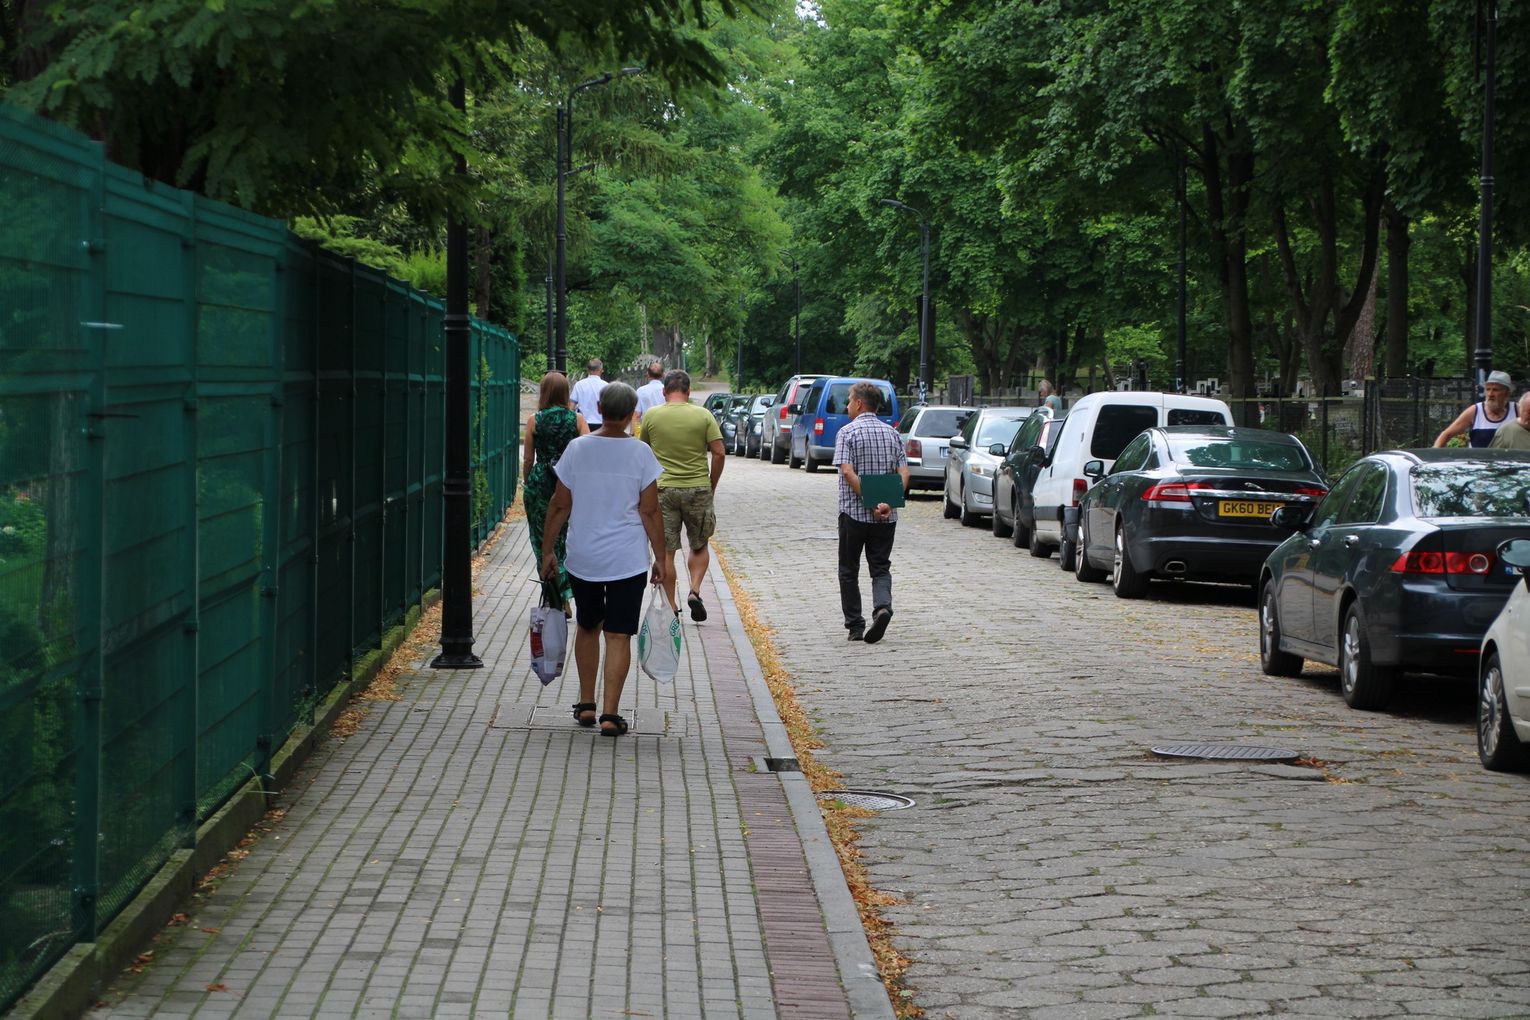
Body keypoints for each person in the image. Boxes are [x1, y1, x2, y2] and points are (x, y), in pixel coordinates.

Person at [540, 382, 666, 737]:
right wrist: (661, 558)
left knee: (587, 626)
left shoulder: (577, 449)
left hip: (584, 556)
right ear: (631, 415)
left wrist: (548, 551)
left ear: (598, 407)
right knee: (618, 634)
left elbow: (559, 504)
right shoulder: (641, 453)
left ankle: (586, 704)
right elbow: (650, 510)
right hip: (627, 558)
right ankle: (610, 714)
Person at [640, 370, 725, 621]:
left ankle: (671, 606)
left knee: (666, 551)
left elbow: (643, 451)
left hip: (663, 490)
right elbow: (719, 452)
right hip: (697, 487)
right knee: (699, 544)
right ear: (688, 391)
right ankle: (695, 591)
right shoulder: (703, 415)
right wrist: (711, 484)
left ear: (664, 391)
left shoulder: (652, 415)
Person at [833, 381, 909, 644]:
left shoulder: (847, 433)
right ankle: (882, 607)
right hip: (885, 517)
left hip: (853, 514)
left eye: (849, 401)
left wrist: (869, 500)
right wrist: (888, 503)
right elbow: (904, 472)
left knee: (848, 570)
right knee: (880, 567)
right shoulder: (892, 434)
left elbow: (847, 471)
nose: (847, 406)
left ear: (858, 403)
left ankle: (855, 625)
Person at [521, 372, 589, 609]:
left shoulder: (534, 420)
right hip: (569, 481)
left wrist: (528, 482)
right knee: (566, 538)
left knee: (544, 540)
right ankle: (567, 591)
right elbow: (587, 450)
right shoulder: (577, 420)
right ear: (565, 392)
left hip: (541, 482)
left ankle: (555, 594)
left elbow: (528, 459)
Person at [1434, 370, 1513, 448]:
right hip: (1478, 457)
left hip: (1508, 456)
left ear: (1507, 393)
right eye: (1488, 389)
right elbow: (1446, 434)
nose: (1490, 394)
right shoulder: (1475, 411)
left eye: (1495, 390)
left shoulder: (1516, 410)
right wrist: (1434, 453)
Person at [570, 358, 608, 428]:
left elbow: (571, 407)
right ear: (601, 370)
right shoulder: (606, 386)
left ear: (588, 370)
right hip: (601, 424)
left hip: (583, 424)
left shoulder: (579, 385)